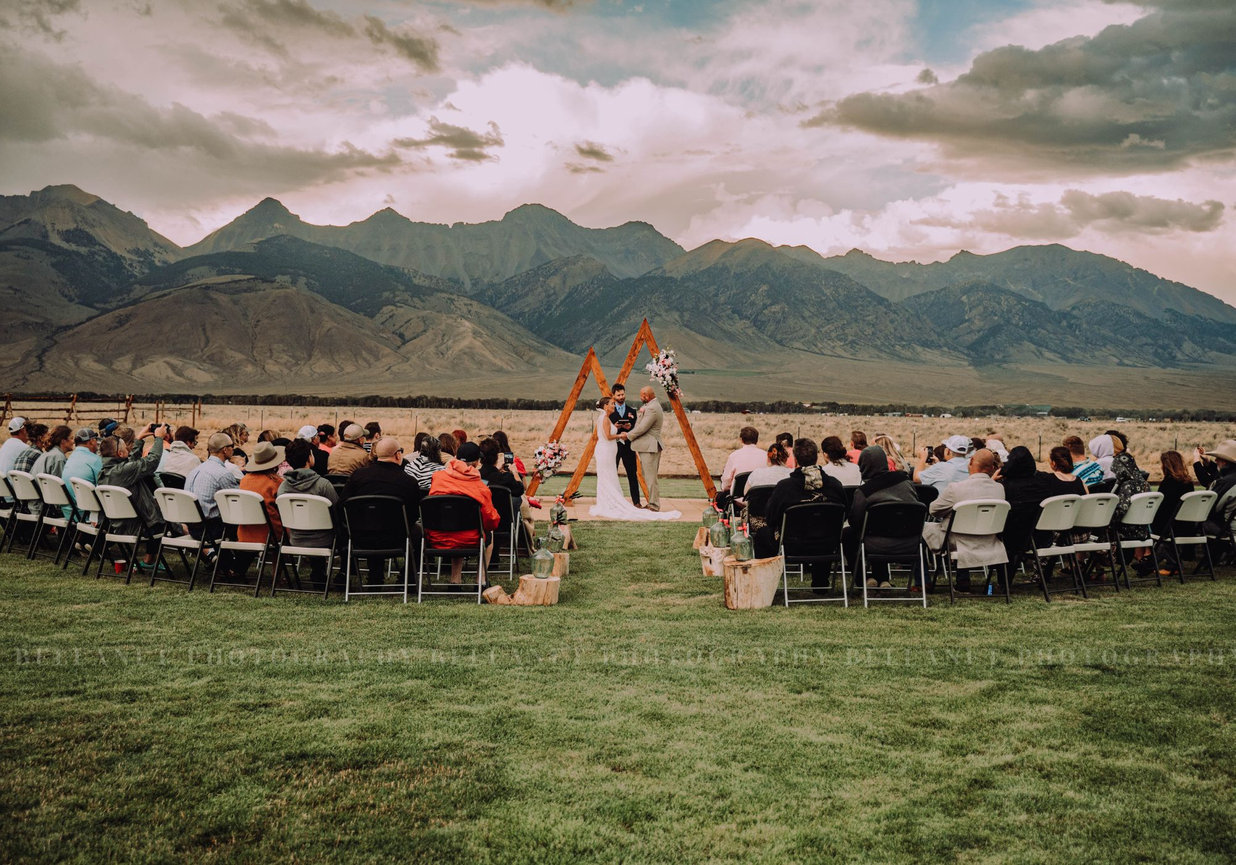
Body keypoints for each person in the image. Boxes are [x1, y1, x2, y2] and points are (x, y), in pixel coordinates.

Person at [757, 438, 846, 589]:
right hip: (827, 544)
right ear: (817, 457)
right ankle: (820, 583)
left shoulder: (785, 488)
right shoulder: (834, 485)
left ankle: (765, 586)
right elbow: (844, 514)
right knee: (822, 527)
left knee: (762, 534)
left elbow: (771, 517)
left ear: (795, 459)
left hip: (792, 544)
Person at [922, 449, 1008, 592]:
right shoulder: (999, 489)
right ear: (992, 467)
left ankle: (923, 581)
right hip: (989, 541)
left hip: (958, 542)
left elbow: (933, 510)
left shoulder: (956, 488)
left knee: (923, 529)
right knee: (961, 527)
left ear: (971, 461)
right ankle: (962, 581)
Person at [340, 437, 422, 585]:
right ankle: (407, 578)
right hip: (396, 538)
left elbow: (343, 505)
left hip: (360, 536)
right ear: (398, 455)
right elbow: (413, 515)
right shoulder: (408, 482)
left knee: (372, 522)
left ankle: (375, 575)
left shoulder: (358, 476)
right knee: (418, 532)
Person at [590, 396, 681, 520]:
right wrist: (620, 435)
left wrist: (618, 429)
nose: (614, 405)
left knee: (609, 475)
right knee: (606, 476)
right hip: (606, 450)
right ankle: (607, 503)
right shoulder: (605, 418)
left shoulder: (605, 418)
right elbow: (607, 436)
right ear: (605, 406)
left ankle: (608, 502)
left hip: (609, 450)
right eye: (611, 403)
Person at [842, 445, 920, 588]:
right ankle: (883, 579)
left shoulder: (864, 492)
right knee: (882, 525)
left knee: (851, 533)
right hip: (911, 541)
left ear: (863, 465)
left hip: (876, 543)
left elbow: (855, 521)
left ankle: (863, 579)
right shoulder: (906, 482)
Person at [97, 424, 170, 571]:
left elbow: (130, 461)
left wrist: (139, 439)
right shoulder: (123, 471)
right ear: (120, 453)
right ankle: (149, 561)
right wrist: (159, 439)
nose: (128, 450)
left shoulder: (106, 471)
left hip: (118, 524)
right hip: (138, 527)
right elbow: (151, 461)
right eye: (125, 447)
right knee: (166, 520)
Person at [427, 441, 499, 587]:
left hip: (436, 537)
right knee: (487, 533)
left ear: (456, 457)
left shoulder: (438, 478)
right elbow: (491, 520)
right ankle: (481, 580)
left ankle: (455, 580)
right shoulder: (480, 487)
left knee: (455, 526)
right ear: (477, 462)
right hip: (469, 539)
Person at [277, 438, 339, 589]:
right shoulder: (323, 485)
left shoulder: (283, 488)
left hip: (296, 538)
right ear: (310, 458)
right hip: (324, 540)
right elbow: (336, 512)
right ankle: (340, 573)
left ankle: (318, 573)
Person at [234, 441, 285, 575]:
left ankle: (238, 570)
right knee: (283, 527)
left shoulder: (244, 480)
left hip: (245, 530)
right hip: (270, 533)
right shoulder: (277, 482)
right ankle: (277, 575)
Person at [1108, 431, 1154, 575]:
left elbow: (1122, 509)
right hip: (1143, 530)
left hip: (1128, 530)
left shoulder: (1127, 485)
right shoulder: (1143, 482)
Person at [184, 433, 240, 542]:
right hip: (211, 529)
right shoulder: (223, 474)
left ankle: (220, 558)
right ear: (225, 450)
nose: (233, 449)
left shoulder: (195, 470)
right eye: (232, 446)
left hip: (192, 526)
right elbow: (237, 502)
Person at [625, 386, 671, 513]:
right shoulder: (652, 406)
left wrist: (628, 436)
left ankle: (654, 505)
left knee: (651, 477)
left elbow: (643, 428)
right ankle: (652, 503)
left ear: (646, 395)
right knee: (648, 476)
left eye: (641, 395)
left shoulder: (652, 408)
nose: (640, 397)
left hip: (650, 446)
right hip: (648, 446)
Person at [1153, 450, 1196, 574]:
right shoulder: (1188, 483)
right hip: (1187, 525)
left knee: (1155, 529)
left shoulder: (1168, 483)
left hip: (1172, 527)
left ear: (1166, 465)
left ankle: (1172, 565)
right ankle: (1151, 562)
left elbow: (1163, 510)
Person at [609, 383, 642, 507]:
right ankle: (612, 501)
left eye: (623, 394)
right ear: (613, 396)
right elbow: (606, 428)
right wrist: (615, 427)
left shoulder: (632, 411)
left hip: (628, 447)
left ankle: (636, 502)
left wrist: (630, 427)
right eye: (618, 395)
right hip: (614, 446)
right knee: (612, 473)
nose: (621, 397)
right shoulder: (610, 411)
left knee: (632, 474)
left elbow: (636, 428)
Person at [717, 426, 765, 509]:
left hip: (737, 500)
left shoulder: (734, 456)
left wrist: (724, 488)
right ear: (756, 440)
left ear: (741, 440)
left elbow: (726, 482)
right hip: (761, 499)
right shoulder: (766, 456)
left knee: (719, 498)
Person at [61, 428, 102, 518]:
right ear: (91, 441)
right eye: (96, 440)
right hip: (88, 515)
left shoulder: (70, 458)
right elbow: (103, 485)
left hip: (69, 513)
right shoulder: (95, 460)